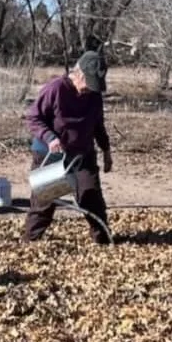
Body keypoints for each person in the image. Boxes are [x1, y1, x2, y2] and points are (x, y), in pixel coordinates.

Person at [23, 52, 114, 244]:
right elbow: (33, 118)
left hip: (82, 154)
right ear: (79, 74)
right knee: (45, 202)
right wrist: (50, 138)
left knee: (91, 197)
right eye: (89, 83)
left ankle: (103, 240)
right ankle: (30, 242)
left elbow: (98, 124)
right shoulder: (55, 89)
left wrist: (106, 151)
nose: (90, 90)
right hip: (51, 153)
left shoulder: (94, 97)